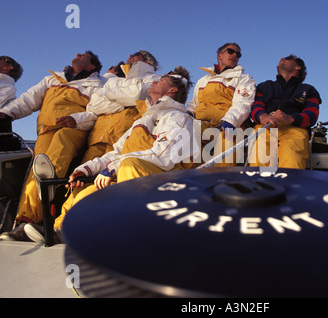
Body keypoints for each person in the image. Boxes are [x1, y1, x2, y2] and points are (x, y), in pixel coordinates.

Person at [24, 69, 198, 243]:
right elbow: (116, 153)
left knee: (130, 165)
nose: (154, 81)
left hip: (162, 185)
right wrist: (87, 169)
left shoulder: (178, 117)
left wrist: (113, 168)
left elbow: (164, 156)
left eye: (161, 81)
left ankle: (136, 237)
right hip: (131, 180)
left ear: (172, 90)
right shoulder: (141, 121)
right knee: (85, 194)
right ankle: (60, 232)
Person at [0, 51, 103, 241]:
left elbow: (96, 111)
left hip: (74, 128)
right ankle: (25, 221)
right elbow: (28, 100)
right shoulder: (51, 79)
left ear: (91, 67)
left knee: (60, 145)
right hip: (46, 129)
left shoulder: (99, 85)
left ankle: (50, 190)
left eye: (84, 55)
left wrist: (75, 119)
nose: (78, 54)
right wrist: (6, 114)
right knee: (36, 169)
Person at [186, 42, 256, 166]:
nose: (235, 55)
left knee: (228, 139)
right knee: (184, 134)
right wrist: (187, 115)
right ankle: (195, 176)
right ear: (220, 55)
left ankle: (222, 178)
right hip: (203, 124)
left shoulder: (243, 78)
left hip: (231, 124)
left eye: (238, 54)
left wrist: (229, 121)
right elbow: (194, 104)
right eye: (230, 51)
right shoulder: (203, 80)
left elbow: (243, 103)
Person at [249, 55, 321, 169]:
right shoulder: (264, 86)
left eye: (287, 58)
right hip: (265, 127)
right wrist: (263, 116)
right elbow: (256, 105)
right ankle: (259, 186)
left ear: (298, 67)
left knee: (292, 160)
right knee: (259, 159)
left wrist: (291, 118)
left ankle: (289, 186)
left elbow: (312, 115)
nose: (282, 58)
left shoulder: (308, 90)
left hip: (295, 130)